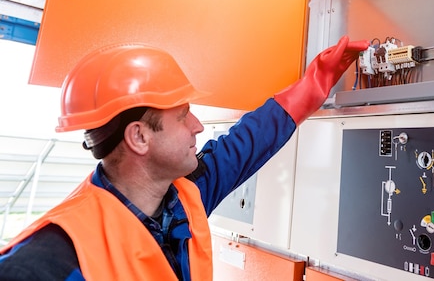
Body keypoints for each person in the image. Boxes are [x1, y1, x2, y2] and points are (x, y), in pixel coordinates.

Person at [0, 36, 369, 280]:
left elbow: (248, 141)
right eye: (182, 116)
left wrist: (318, 80)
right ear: (139, 137)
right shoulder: (52, 258)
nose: (197, 126)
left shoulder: (183, 195)